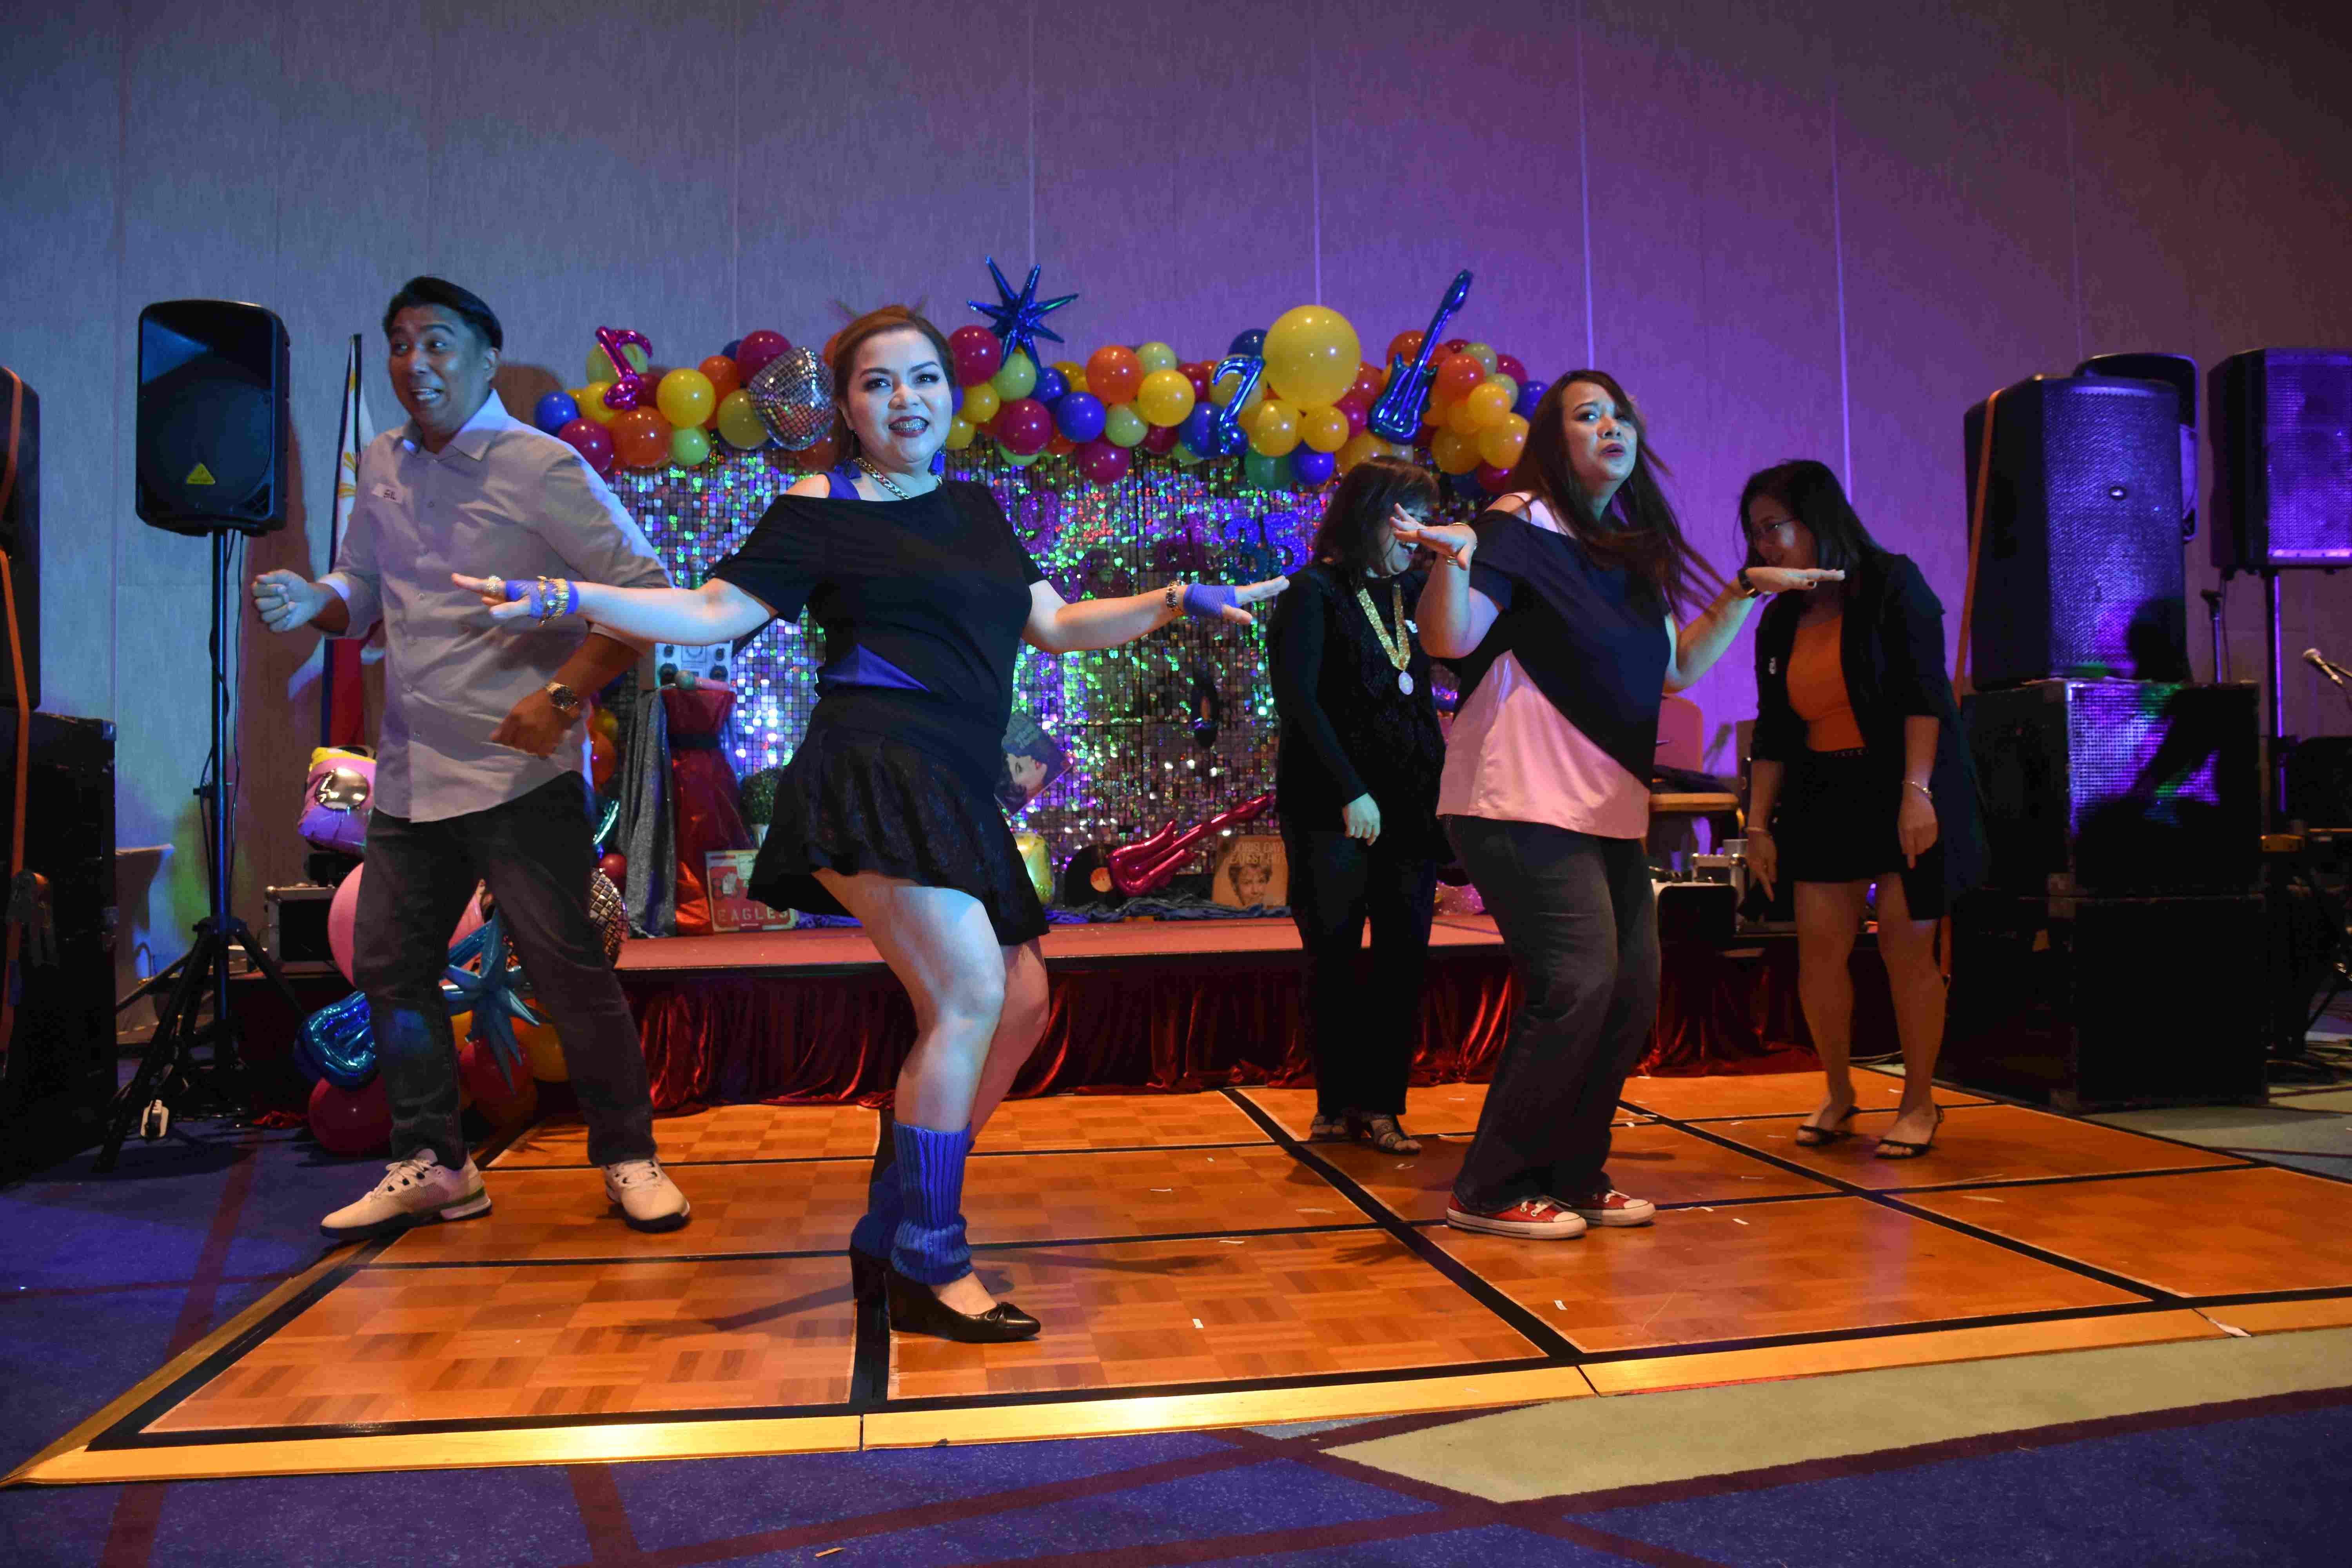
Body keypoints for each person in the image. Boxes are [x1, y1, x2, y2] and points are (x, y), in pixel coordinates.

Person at [457, 305, 1283, 1341]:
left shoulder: (975, 508)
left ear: (950, 393)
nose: (906, 399)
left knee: (1023, 1001)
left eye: (924, 377)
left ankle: (895, 1223)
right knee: (970, 993)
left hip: (957, 783)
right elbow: (712, 612)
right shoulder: (820, 506)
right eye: (878, 383)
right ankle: (930, 1260)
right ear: (846, 408)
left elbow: (1058, 624)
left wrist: (1175, 597)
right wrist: (559, 595)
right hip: (872, 767)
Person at [251, 276, 690, 1240]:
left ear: (489, 357)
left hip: (521, 774)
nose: (416, 363)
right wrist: (315, 600)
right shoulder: (382, 462)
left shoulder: (542, 466)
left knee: (568, 972)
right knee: (392, 968)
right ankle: (436, 1164)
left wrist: (563, 694)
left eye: (439, 342)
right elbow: (361, 586)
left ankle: (629, 1153)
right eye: (401, 343)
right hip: (411, 772)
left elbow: (647, 593)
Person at [1394, 372, 1840, 1240]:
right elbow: (1449, 638)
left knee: (1632, 991)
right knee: (1577, 981)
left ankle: (1571, 1170)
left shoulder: (1632, 551)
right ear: (1554, 441)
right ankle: (1489, 1187)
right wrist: (1452, 559)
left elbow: (1675, 669)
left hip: (1604, 806)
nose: (1611, 426)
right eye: (1587, 415)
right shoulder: (1520, 518)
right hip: (1518, 794)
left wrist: (1745, 591)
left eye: (1619, 415)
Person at [1739, 460, 1986, 1159]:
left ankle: (1919, 1101)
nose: (1763, 546)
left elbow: (1924, 695)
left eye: (1774, 527)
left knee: (1907, 948)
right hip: (1823, 789)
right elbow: (1774, 729)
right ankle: (1840, 1092)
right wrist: (1757, 826)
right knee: (1819, 952)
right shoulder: (1780, 617)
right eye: (1755, 533)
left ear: (1818, 519)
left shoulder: (1891, 583)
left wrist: (1917, 792)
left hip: (1903, 779)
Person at [1267, 456, 1446, 1155]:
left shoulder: (1415, 592)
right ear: (1369, 515)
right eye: (1406, 519)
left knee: (1404, 956)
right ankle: (1335, 1103)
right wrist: (1351, 790)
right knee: (1334, 954)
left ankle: (1383, 1107)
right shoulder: (1312, 590)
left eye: (1425, 521)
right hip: (1331, 804)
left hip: (1409, 803)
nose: (1416, 534)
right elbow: (1300, 702)